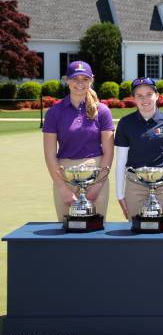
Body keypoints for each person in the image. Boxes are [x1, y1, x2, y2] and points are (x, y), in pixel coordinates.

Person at [42, 61, 114, 221]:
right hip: (64, 175)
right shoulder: (54, 112)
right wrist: (62, 188)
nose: (80, 83)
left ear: (91, 80)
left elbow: (109, 152)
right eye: (75, 79)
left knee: (96, 230)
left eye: (85, 79)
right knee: (67, 230)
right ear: (66, 80)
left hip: (96, 173)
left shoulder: (102, 111)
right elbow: (49, 153)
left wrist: (97, 186)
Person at [114, 78, 163, 220]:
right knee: (135, 230)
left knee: (161, 230)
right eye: (139, 95)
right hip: (135, 185)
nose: (145, 99)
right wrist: (120, 195)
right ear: (133, 98)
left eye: (149, 94)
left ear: (157, 95)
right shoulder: (125, 123)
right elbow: (121, 161)